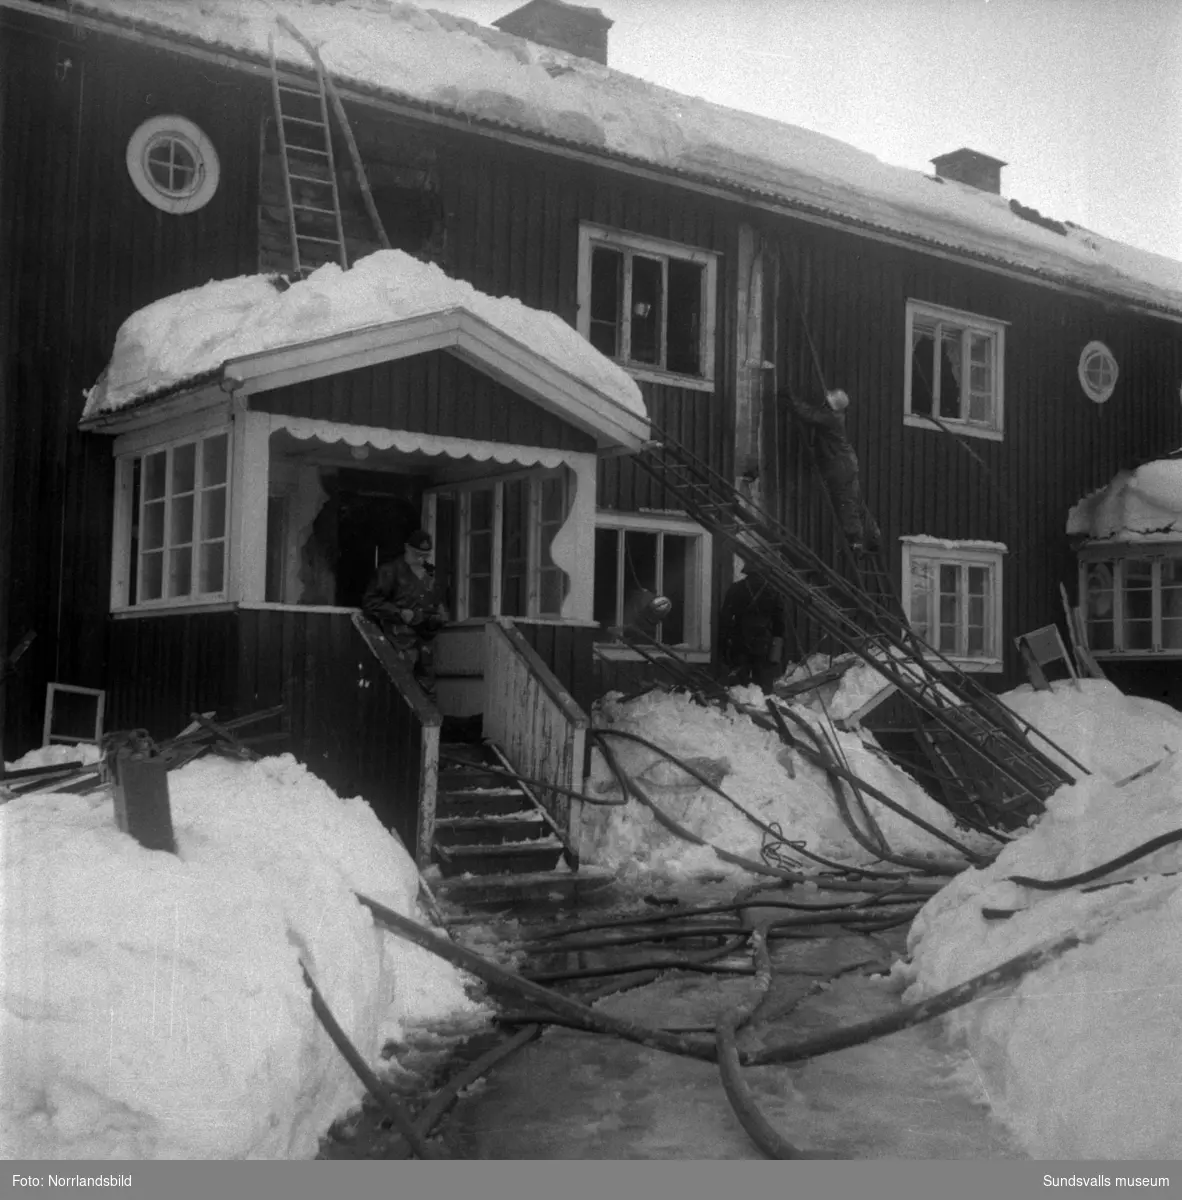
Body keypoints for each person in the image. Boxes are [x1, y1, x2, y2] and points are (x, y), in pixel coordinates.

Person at [788, 388, 881, 554]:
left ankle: (856, 540)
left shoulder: (830, 418)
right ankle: (873, 537)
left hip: (840, 465)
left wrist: (790, 398)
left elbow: (807, 414)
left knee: (845, 502)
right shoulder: (836, 416)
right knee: (856, 501)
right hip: (847, 462)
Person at [362, 530, 448, 695]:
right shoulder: (390, 572)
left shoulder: (431, 575)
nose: (421, 559)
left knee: (427, 692)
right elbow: (370, 601)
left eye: (425, 555)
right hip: (399, 643)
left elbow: (438, 603)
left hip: (425, 645)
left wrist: (440, 615)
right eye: (417, 554)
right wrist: (398, 613)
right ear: (407, 549)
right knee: (399, 689)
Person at [718, 567, 787, 692]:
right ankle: (763, 705)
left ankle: (737, 707)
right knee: (763, 685)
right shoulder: (773, 592)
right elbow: (780, 625)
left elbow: (725, 618)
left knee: (739, 683)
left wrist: (724, 645)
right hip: (763, 642)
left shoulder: (736, 588)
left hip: (739, 640)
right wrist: (776, 652)